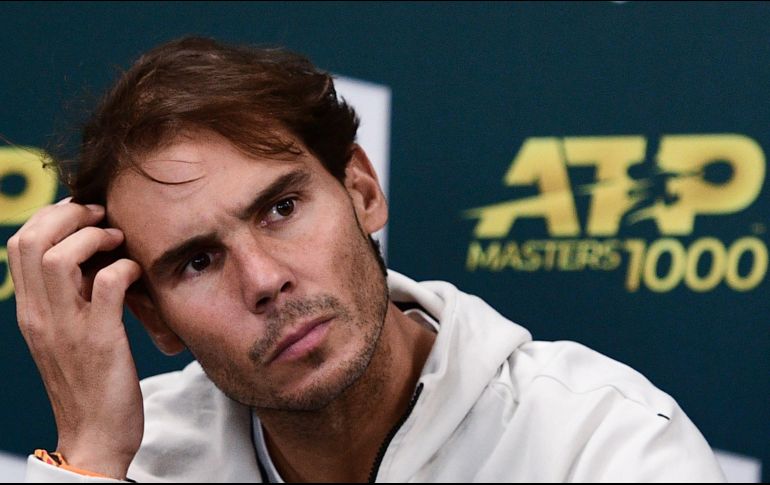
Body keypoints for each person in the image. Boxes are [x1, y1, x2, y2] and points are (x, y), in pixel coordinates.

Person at [9, 36, 725, 483]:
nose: (264, 280)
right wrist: (91, 455)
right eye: (196, 261)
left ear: (362, 189)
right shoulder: (127, 467)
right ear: (154, 318)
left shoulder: (598, 443)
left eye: (281, 208)